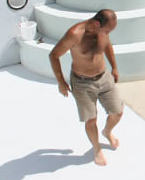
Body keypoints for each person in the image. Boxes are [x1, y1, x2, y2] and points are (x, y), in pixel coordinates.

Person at [49, 9, 123, 166]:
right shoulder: (75, 34)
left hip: (104, 77)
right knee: (91, 120)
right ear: (97, 23)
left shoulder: (103, 31)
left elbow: (108, 46)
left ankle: (107, 132)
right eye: (107, 30)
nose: (108, 33)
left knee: (117, 112)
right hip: (82, 83)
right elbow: (53, 55)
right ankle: (96, 149)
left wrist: (114, 67)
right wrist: (61, 82)